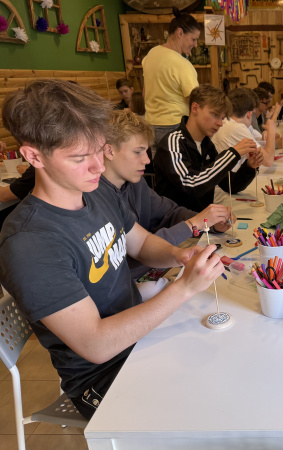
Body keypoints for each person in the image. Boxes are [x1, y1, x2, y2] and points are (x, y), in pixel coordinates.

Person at [0, 79, 222, 419]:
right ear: (33, 156)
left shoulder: (97, 191)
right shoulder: (29, 242)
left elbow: (141, 243)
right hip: (103, 377)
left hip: (138, 337)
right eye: (80, 158)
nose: (99, 167)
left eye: (99, 150)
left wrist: (178, 255)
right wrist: (184, 288)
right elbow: (96, 343)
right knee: (208, 410)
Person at [103, 109, 235, 279]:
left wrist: (209, 223)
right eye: (137, 152)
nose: (147, 160)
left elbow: (170, 213)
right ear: (109, 151)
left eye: (146, 151)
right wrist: (194, 224)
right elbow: (131, 258)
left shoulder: (135, 183)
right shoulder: (97, 199)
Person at [153, 84, 259, 213]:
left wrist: (249, 167)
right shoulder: (173, 142)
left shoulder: (206, 145)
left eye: (222, 118)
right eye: (215, 115)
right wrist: (233, 153)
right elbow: (191, 184)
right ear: (195, 108)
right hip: (175, 222)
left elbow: (230, 185)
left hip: (202, 221)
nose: (220, 123)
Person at [142, 7, 200, 148]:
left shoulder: (151, 54)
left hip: (150, 125)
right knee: (178, 163)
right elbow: (195, 101)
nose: (195, 44)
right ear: (180, 33)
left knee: (158, 162)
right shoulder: (181, 64)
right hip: (174, 126)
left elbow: (145, 93)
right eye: (193, 39)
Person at [211, 88, 276, 204]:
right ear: (249, 114)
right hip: (223, 194)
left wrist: (266, 136)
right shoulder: (235, 127)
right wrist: (272, 131)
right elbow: (268, 161)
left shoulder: (233, 123)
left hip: (229, 185)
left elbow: (258, 139)